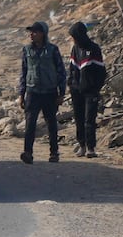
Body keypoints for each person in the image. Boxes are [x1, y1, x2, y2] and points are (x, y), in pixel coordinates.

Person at [18, 21, 67, 163]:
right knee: (30, 123)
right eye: (30, 32)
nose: (31, 34)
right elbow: (24, 72)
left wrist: (61, 93)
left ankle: (54, 153)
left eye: (34, 32)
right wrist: (21, 94)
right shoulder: (27, 50)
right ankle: (28, 152)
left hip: (49, 92)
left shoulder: (52, 50)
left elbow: (61, 72)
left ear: (43, 34)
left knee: (51, 123)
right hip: (32, 92)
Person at [67, 22, 106, 157]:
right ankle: (82, 145)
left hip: (90, 92)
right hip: (76, 91)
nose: (73, 39)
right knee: (78, 119)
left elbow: (101, 71)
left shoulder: (94, 48)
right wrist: (71, 84)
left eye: (74, 36)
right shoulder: (75, 49)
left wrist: (96, 88)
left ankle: (90, 148)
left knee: (89, 119)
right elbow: (72, 70)